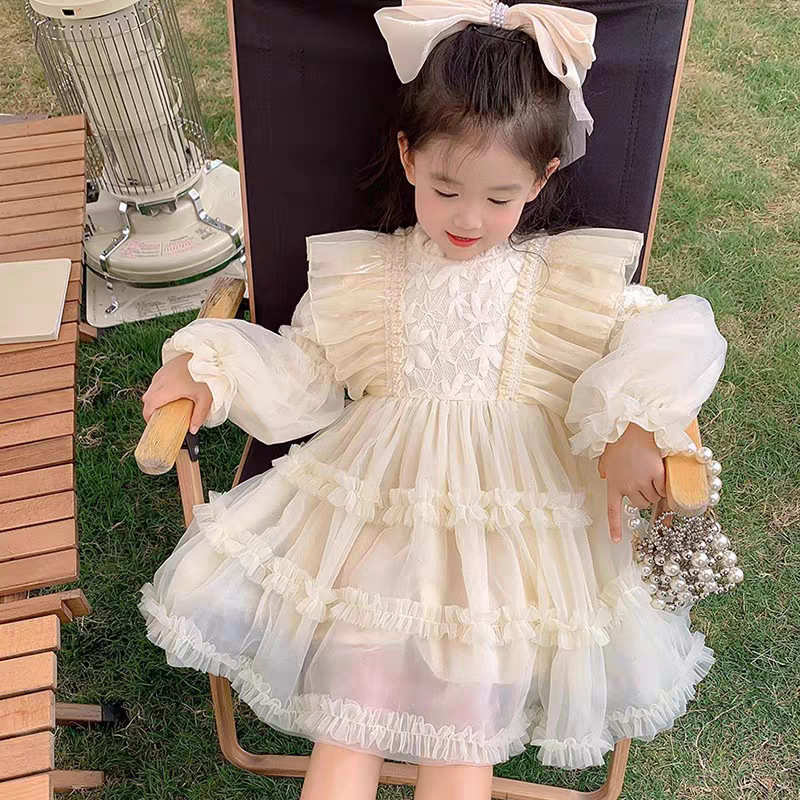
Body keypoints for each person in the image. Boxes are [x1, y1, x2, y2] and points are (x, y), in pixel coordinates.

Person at [139, 2, 728, 798]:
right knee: (353, 703)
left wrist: (632, 421)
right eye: (447, 188)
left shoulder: (563, 282)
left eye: (499, 197)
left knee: (464, 720)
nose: (468, 218)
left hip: (512, 522)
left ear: (542, 179)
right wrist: (216, 370)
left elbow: (671, 331)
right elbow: (308, 368)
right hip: (380, 501)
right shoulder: (370, 276)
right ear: (408, 156)